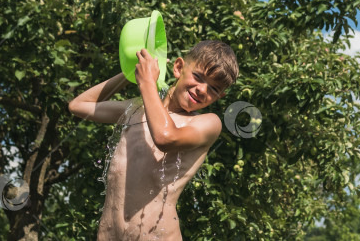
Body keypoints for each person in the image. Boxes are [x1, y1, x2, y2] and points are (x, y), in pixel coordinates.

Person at [68, 40, 239, 240]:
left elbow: (165, 137)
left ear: (219, 97)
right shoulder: (136, 109)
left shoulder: (209, 123)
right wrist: (131, 71)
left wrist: (147, 82)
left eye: (214, 89)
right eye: (198, 77)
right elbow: (79, 106)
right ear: (178, 67)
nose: (203, 90)